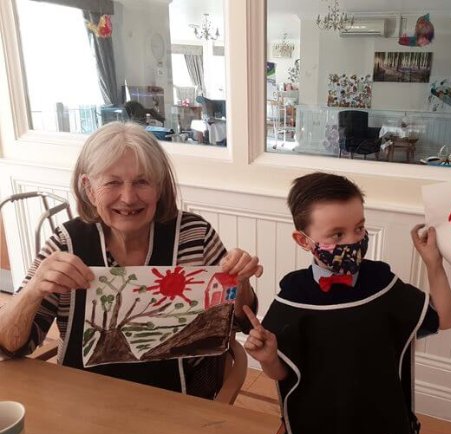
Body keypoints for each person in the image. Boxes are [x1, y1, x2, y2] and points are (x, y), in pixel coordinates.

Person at [0, 121, 262, 399]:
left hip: (183, 402)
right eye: (112, 182)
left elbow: (239, 321)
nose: (128, 197)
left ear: (159, 187)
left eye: (142, 181)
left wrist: (240, 282)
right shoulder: (67, 243)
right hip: (83, 401)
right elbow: (10, 345)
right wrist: (34, 288)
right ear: (89, 188)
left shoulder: (194, 235)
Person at [243, 172, 451, 434]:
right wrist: (268, 358)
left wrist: (434, 264)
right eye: (337, 234)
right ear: (303, 240)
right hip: (318, 426)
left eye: (359, 228)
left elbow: (442, 318)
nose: (353, 241)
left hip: (381, 425)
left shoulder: (382, 283)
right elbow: (282, 373)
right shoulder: (294, 297)